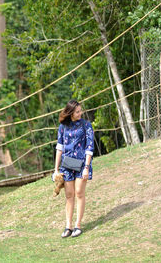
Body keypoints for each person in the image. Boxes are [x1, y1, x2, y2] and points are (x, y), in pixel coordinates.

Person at [53, 99, 94, 238]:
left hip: (82, 164)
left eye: (80, 111)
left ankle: (78, 225)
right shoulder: (63, 127)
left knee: (79, 193)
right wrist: (56, 169)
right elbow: (59, 148)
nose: (80, 113)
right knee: (69, 195)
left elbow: (89, 147)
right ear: (70, 112)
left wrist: (87, 168)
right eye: (77, 111)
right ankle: (68, 226)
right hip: (67, 165)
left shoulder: (86, 125)